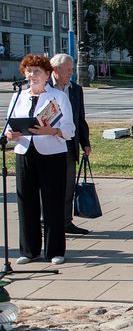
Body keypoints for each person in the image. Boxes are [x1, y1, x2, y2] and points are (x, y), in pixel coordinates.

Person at [6, 54, 75, 265]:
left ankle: (55, 250)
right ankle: (29, 250)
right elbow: (8, 125)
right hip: (25, 151)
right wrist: (10, 134)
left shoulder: (58, 97)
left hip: (52, 154)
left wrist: (51, 130)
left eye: (37, 71)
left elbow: (69, 130)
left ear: (47, 74)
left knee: (52, 202)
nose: (32, 75)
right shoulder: (19, 96)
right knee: (26, 201)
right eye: (28, 71)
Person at [49, 53, 91, 236]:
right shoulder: (43, 87)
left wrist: (85, 142)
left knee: (68, 186)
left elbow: (79, 119)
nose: (71, 74)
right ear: (55, 71)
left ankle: (66, 222)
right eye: (68, 71)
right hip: (48, 146)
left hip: (68, 145)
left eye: (72, 70)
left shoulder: (75, 89)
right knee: (48, 186)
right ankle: (47, 221)